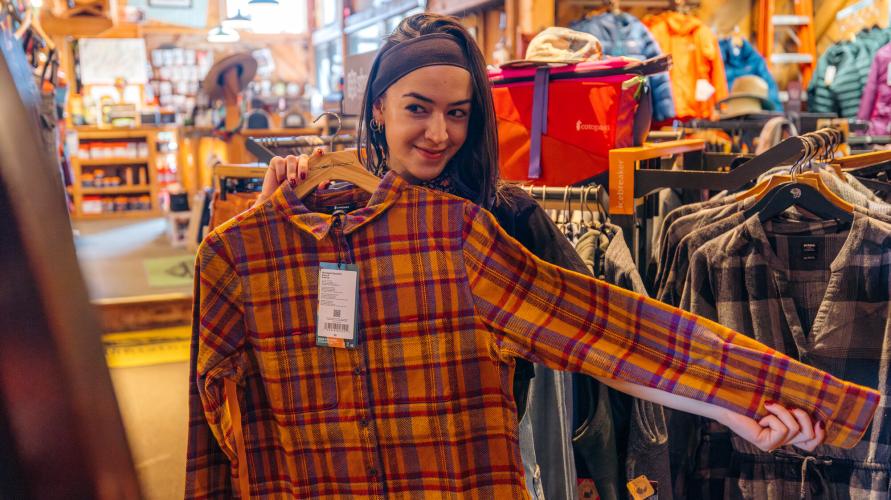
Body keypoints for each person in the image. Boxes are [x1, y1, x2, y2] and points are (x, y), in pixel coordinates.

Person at [254, 11, 824, 495]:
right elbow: (284, 348)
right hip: (347, 475)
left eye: (458, 113)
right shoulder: (328, 213)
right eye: (417, 108)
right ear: (378, 108)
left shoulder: (503, 219)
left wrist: (738, 408)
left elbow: (610, 334)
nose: (438, 133)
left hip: (473, 475)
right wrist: (272, 219)